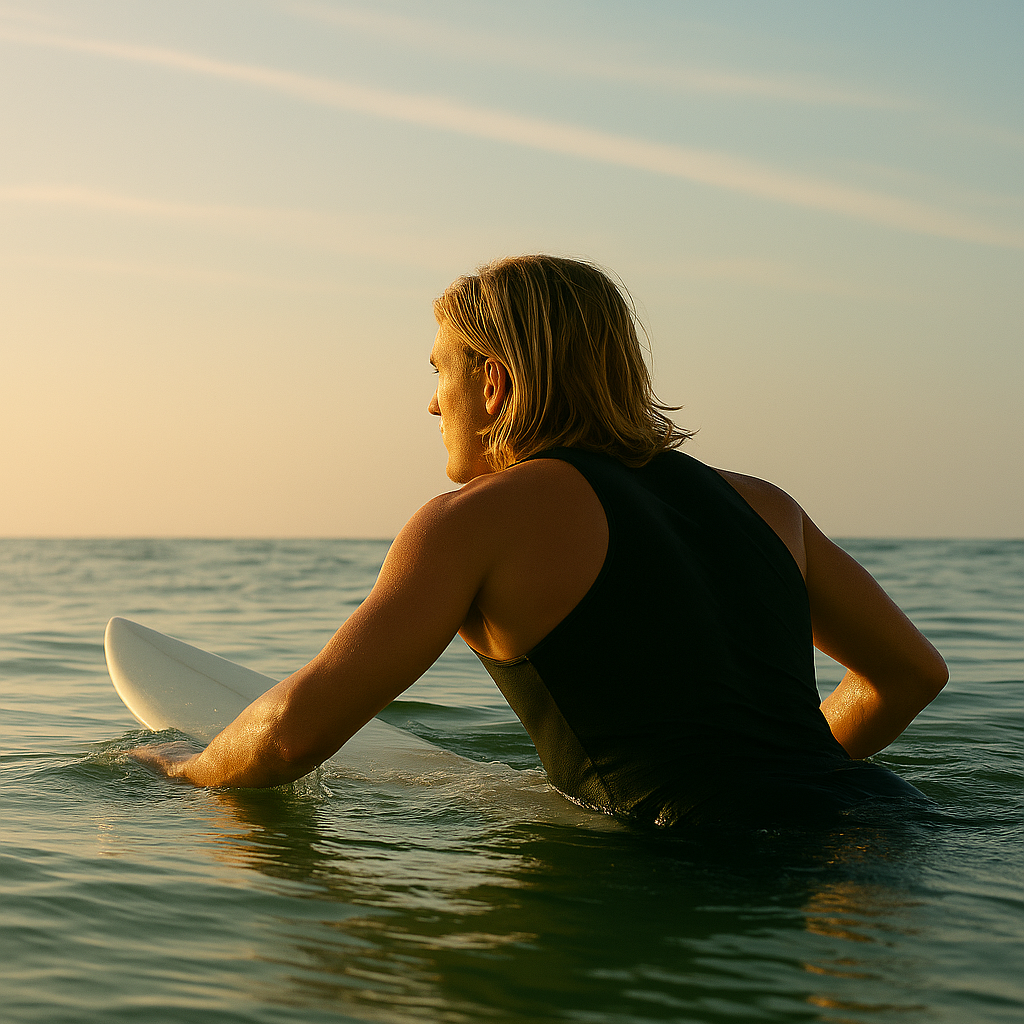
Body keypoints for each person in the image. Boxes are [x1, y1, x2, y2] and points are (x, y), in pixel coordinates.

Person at [133, 255, 948, 827]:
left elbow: (286, 738)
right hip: (884, 822)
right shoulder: (764, 504)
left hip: (710, 860)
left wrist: (186, 775)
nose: (429, 404)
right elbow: (911, 673)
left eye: (437, 372)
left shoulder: (475, 521)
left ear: (492, 381)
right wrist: (790, 785)